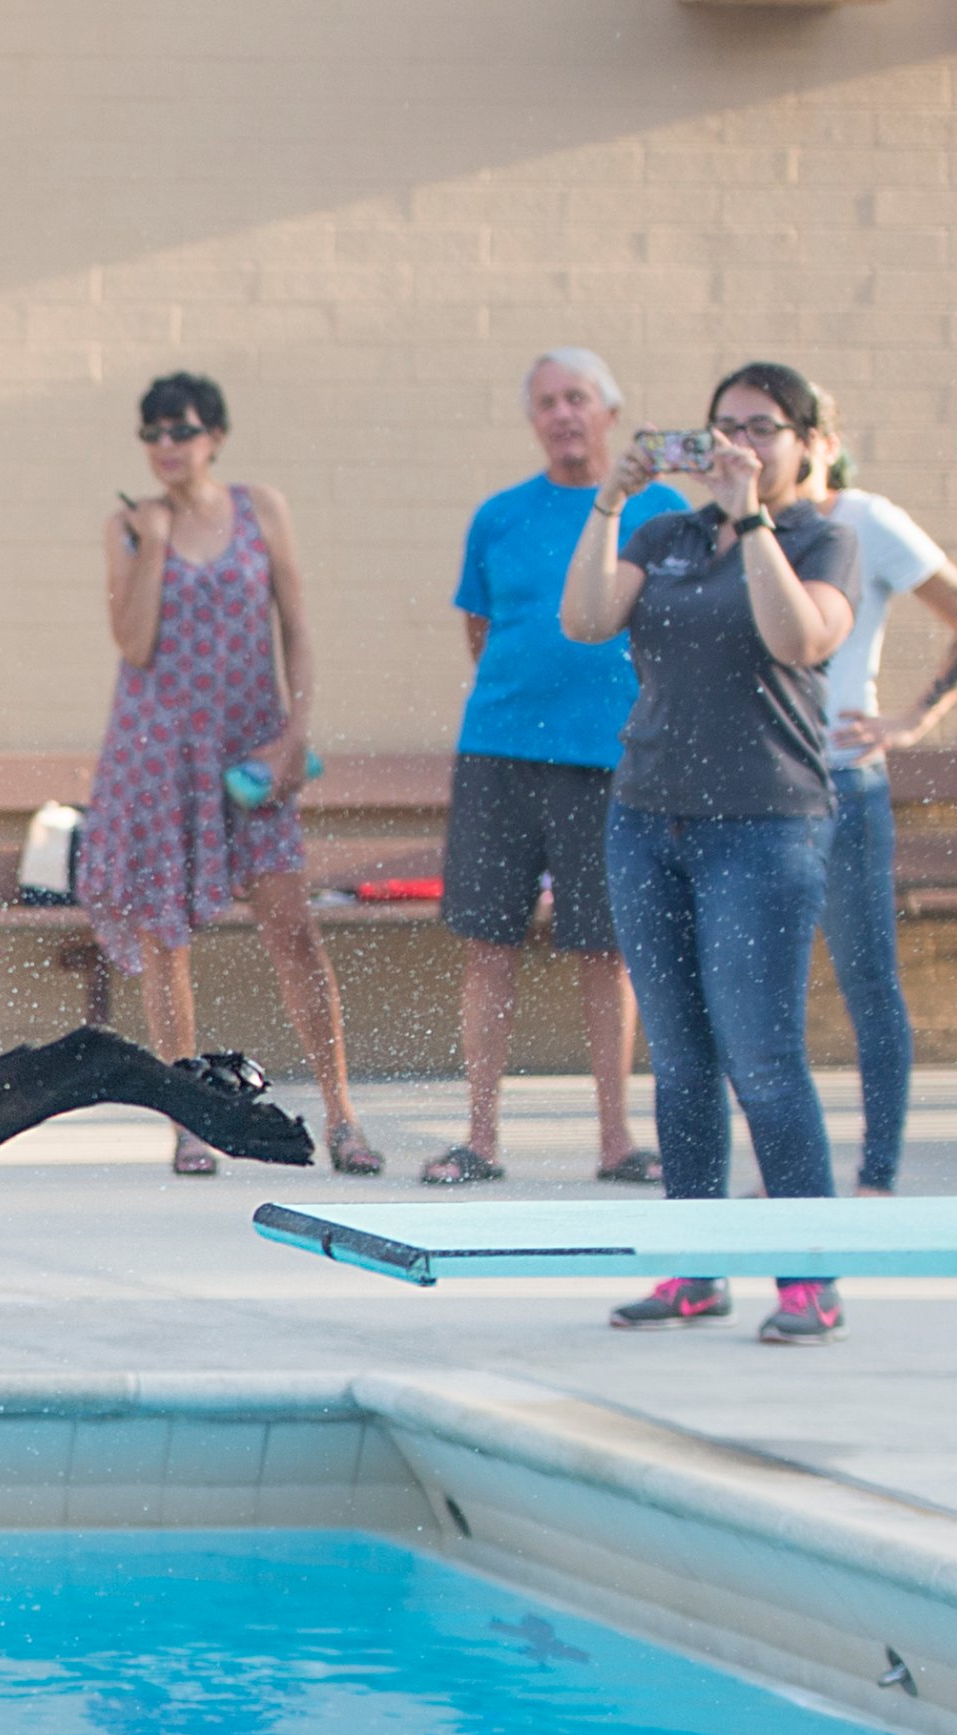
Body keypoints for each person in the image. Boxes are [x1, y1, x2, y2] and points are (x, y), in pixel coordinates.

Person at [560, 361, 862, 1344]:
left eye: (762, 429)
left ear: (806, 444)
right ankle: (694, 1266)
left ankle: (808, 1277)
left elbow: (798, 639)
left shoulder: (823, 538)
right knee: (682, 1060)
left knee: (761, 1056)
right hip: (648, 822)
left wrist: (755, 522)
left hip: (763, 828)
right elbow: (584, 618)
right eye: (723, 428)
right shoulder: (664, 534)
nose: (740, 445)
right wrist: (608, 502)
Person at [87, 371, 377, 1177]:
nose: (166, 447)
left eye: (180, 430)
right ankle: (189, 1120)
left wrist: (295, 735)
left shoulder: (261, 509)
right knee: (166, 938)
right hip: (158, 758)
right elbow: (135, 644)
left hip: (252, 749)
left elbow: (298, 625)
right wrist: (150, 541)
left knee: (292, 930)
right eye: (151, 434)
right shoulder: (127, 526)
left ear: (214, 434)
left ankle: (343, 1114)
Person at [423, 349, 683, 1186]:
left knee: (606, 950)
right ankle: (481, 1139)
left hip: (614, 763)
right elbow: (482, 630)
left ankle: (617, 1141)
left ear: (610, 410)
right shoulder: (499, 515)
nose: (563, 414)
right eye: (546, 403)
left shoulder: (664, 509)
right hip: (500, 755)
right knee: (488, 945)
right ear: (533, 420)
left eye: (577, 398)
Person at [806, 398, 957, 1196]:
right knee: (761, 994)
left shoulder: (865, 520)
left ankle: (875, 1175)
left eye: (772, 426)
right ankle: (793, 1172)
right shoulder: (737, 525)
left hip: (844, 785)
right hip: (759, 792)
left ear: (822, 442)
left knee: (866, 980)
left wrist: (914, 718)